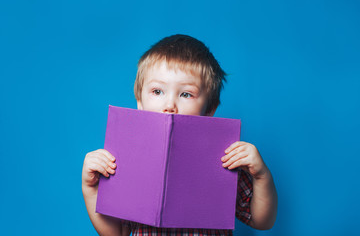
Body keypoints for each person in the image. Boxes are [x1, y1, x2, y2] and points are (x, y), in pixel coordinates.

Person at [82, 34, 277, 236]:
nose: (169, 106)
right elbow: (117, 233)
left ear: (209, 109)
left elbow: (262, 221)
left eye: (186, 94)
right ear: (139, 101)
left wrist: (261, 176)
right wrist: (91, 189)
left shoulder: (226, 157)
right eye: (157, 91)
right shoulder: (124, 159)